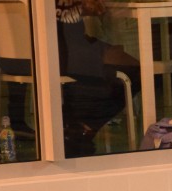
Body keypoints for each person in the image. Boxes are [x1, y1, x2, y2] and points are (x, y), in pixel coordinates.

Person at [55, 0, 141, 157]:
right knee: (135, 71)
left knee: (117, 66)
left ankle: (76, 127)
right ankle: (83, 127)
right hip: (67, 50)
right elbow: (92, 8)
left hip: (34, 53)